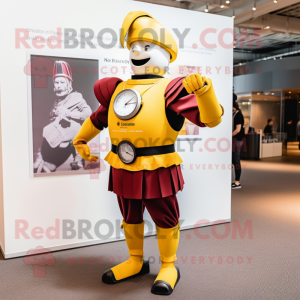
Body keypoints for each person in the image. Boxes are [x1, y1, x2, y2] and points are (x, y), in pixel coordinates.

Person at [73, 11, 224, 296]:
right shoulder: (119, 88)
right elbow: (98, 118)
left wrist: (205, 91)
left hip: (158, 165)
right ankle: (135, 260)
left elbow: (211, 119)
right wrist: (81, 139)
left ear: (166, 53)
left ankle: (169, 265)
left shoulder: (172, 88)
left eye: (146, 46)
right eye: (133, 47)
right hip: (122, 164)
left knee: (165, 215)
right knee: (129, 215)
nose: (137, 52)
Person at [34, 61, 92, 173]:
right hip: (57, 138)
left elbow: (88, 113)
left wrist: (69, 114)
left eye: (62, 82)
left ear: (68, 84)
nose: (59, 85)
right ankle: (40, 161)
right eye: (56, 83)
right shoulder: (56, 101)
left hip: (73, 136)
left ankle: (78, 162)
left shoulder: (76, 97)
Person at [232, 93, 244, 189]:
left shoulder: (238, 114)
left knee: (236, 161)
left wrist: (228, 136)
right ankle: (235, 181)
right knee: (233, 160)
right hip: (232, 140)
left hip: (237, 140)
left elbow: (238, 129)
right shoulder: (232, 114)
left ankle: (237, 182)